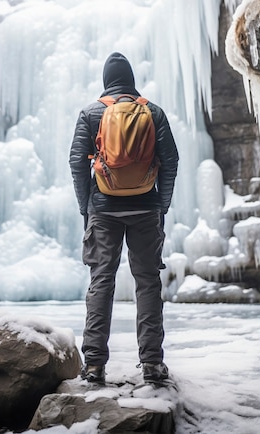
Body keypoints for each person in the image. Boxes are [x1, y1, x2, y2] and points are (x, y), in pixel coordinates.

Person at [69, 52, 179, 385]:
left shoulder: (91, 112)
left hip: (103, 208)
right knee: (147, 282)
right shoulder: (153, 112)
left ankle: (94, 365)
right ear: (131, 80)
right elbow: (170, 161)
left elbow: (77, 163)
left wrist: (86, 207)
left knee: (102, 281)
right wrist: (162, 205)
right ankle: (152, 365)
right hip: (146, 207)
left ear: (106, 81)